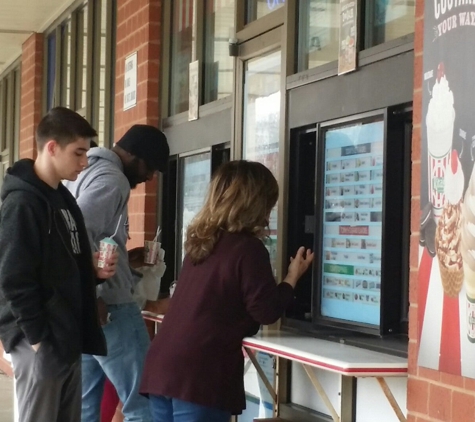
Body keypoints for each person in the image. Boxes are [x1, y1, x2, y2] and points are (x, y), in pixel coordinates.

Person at [140, 160, 314, 422]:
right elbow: (265, 310)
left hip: (162, 369)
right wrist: (292, 278)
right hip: (198, 375)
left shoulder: (200, 245)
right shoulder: (248, 249)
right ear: (257, 203)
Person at [0, 107, 117, 422]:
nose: (84, 162)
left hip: (65, 335)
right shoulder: (22, 203)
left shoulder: (62, 200)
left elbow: (57, 267)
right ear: (51, 147)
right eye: (78, 152)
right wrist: (37, 340)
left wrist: (90, 272)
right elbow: (13, 278)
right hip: (41, 338)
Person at [65, 124, 170, 422]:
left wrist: (125, 259)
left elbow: (88, 237)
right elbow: (78, 232)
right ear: (134, 157)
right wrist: (94, 290)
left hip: (86, 309)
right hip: (109, 307)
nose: (149, 177)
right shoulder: (114, 180)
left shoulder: (85, 171)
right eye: (150, 168)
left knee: (86, 408)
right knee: (144, 403)